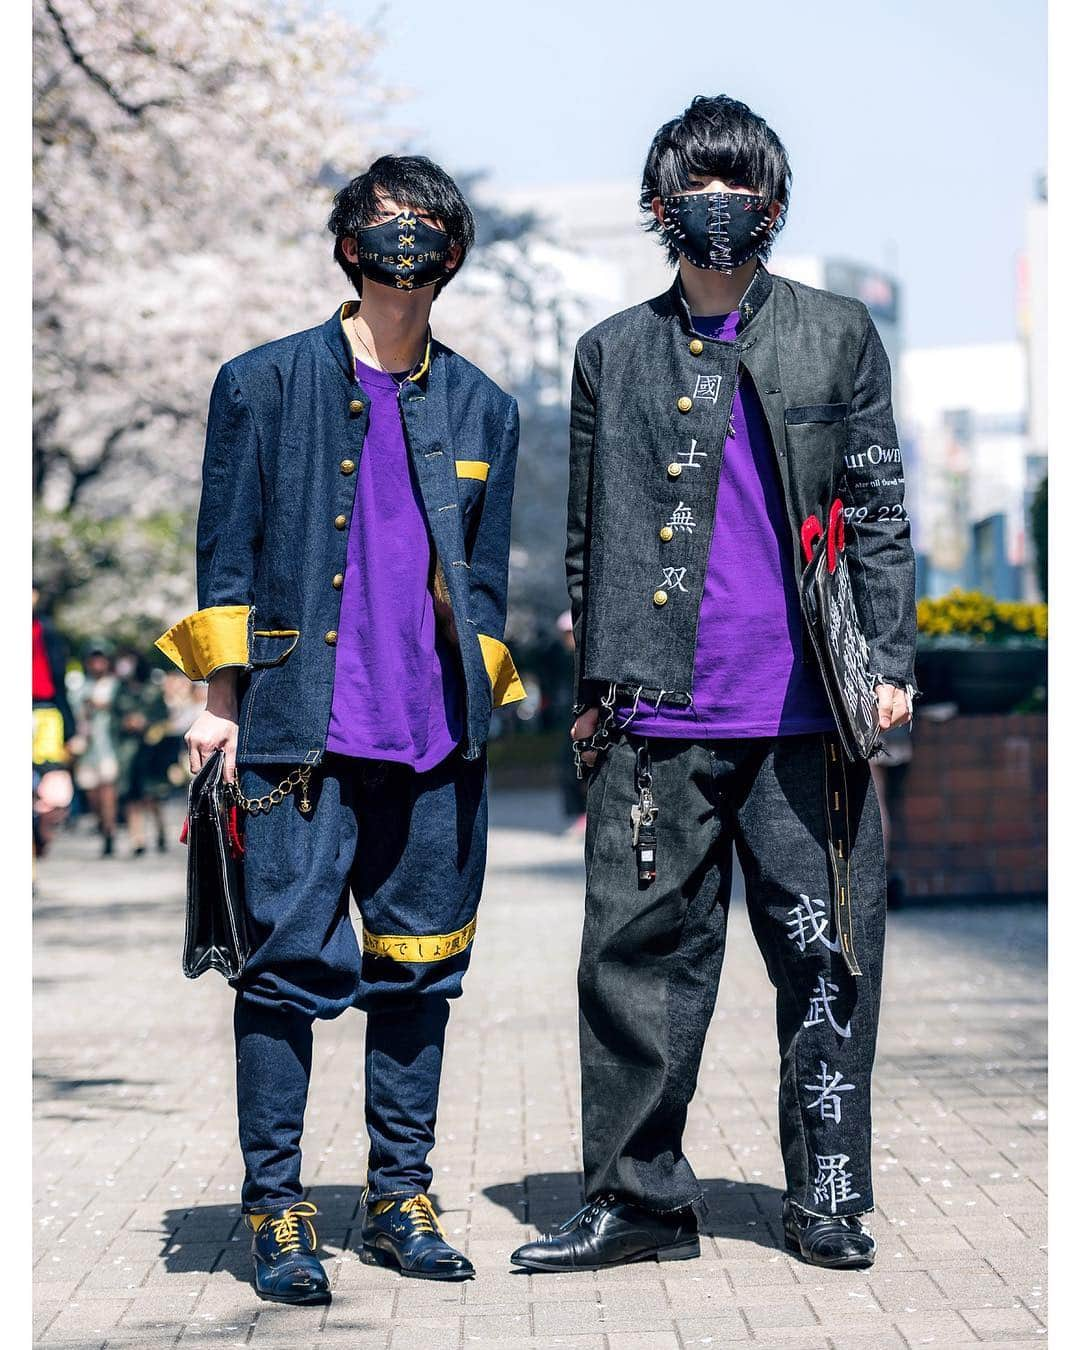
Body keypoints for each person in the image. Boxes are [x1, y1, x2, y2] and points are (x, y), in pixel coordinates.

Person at [509, 95, 917, 1276]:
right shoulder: (610, 355)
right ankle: (636, 1200)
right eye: (700, 184)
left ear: (778, 209)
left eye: (744, 186)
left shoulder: (837, 336)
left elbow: (881, 511)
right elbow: (589, 540)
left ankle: (828, 1194)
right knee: (634, 961)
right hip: (655, 720)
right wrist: (591, 689)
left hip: (810, 717)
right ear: (658, 207)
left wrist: (887, 664)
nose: (721, 206)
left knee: (829, 951)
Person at [155, 154, 523, 1305]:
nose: (402, 241)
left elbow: (491, 594)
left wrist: (483, 713)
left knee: (418, 977)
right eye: (382, 223)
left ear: (452, 254)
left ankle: (400, 1196)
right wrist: (215, 711)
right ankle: (276, 1208)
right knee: (281, 976)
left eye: (424, 226)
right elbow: (224, 555)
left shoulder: (485, 409)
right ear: (347, 246)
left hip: (431, 745)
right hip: (295, 738)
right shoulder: (260, 386)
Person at [69, 640, 121, 857]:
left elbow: (122, 710)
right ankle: (103, 826)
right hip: (87, 749)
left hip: (110, 747)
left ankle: (110, 832)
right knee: (92, 795)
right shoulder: (80, 687)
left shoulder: (116, 685)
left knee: (108, 791)